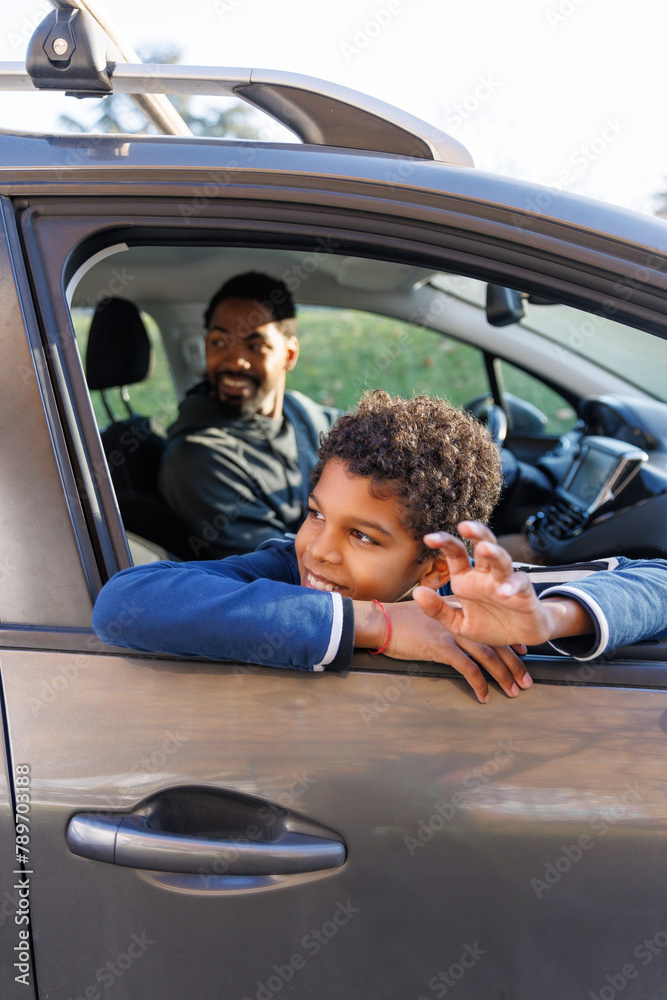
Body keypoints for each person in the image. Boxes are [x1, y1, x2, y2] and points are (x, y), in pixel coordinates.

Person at [94, 391, 667, 704]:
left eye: (363, 536)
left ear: (435, 565)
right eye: (316, 513)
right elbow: (127, 601)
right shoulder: (287, 568)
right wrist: (379, 623)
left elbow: (657, 579)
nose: (320, 549)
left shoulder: (470, 602)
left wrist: (551, 618)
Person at [158, 271, 339, 560]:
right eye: (219, 343)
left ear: (289, 355)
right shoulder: (198, 458)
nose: (235, 361)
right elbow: (285, 567)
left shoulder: (300, 411)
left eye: (255, 346)